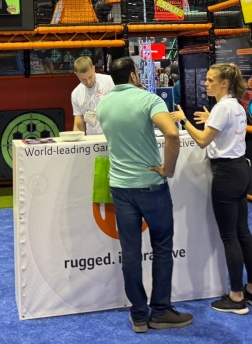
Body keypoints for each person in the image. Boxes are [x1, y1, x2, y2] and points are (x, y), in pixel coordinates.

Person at [96, 57, 191, 333]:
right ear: (134, 75)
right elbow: (172, 133)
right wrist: (168, 169)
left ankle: (139, 315)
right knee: (161, 247)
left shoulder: (103, 105)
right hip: (151, 185)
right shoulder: (149, 100)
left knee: (130, 253)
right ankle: (160, 311)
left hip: (120, 187)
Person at [169, 63, 252, 314]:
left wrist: (183, 120)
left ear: (224, 83)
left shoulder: (222, 108)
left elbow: (201, 141)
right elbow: (226, 132)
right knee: (243, 231)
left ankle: (236, 296)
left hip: (227, 175)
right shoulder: (235, 105)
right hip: (241, 170)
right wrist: (211, 121)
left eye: (211, 80)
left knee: (229, 236)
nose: (206, 83)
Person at [71, 56, 114, 135]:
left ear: (93, 68)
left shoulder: (109, 81)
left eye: (90, 77)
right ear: (76, 74)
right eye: (83, 79)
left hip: (112, 135)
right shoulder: (76, 93)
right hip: (91, 138)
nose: (88, 82)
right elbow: (79, 125)